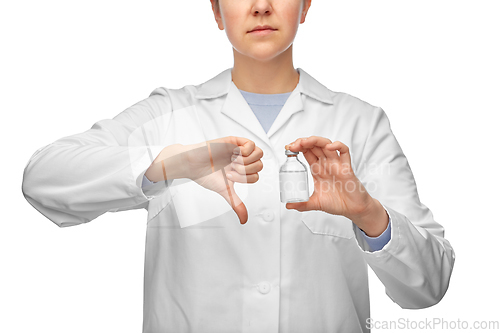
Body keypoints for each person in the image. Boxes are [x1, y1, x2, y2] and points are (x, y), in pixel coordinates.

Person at [22, 0, 455, 332]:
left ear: (306, 6)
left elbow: (430, 285)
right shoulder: (170, 112)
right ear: (215, 11)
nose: (261, 5)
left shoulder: (360, 123)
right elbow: (44, 177)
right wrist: (168, 164)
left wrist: (369, 215)